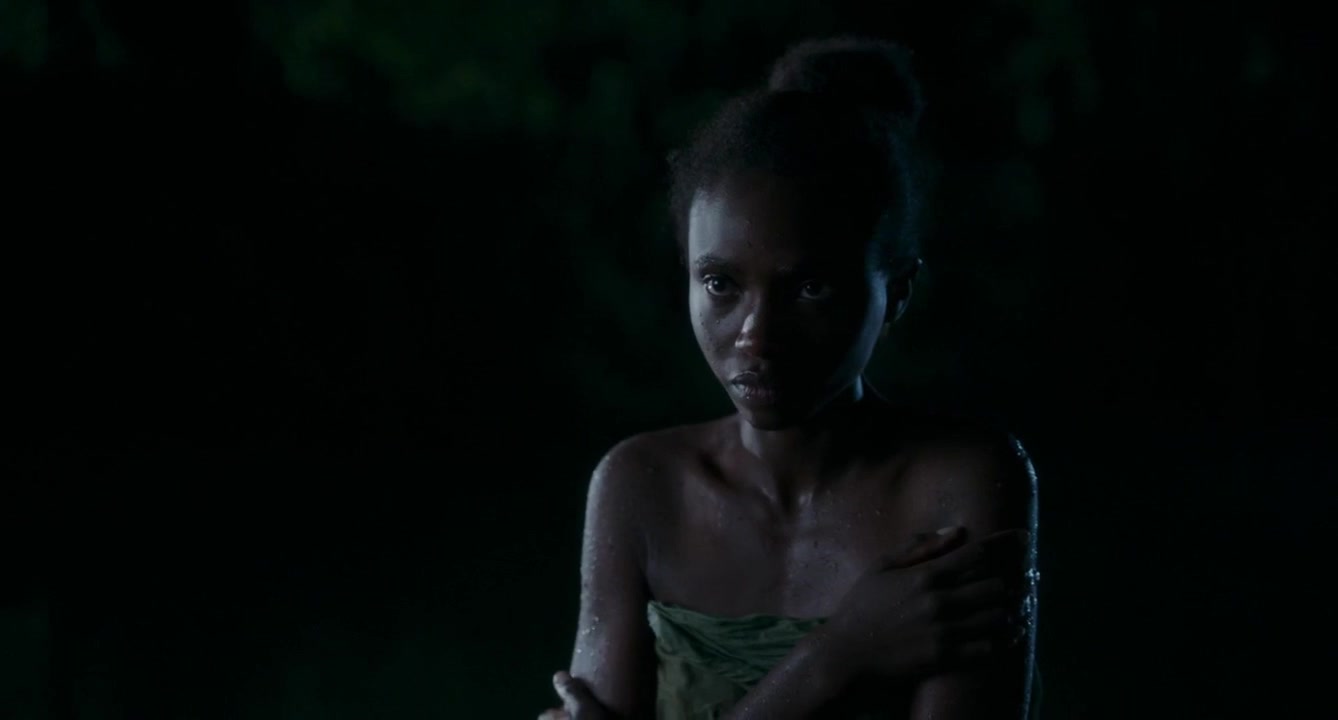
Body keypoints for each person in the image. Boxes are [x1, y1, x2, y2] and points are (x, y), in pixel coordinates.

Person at [540, 36, 1039, 720]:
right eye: (721, 283)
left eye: (811, 288)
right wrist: (836, 656)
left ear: (896, 293)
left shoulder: (958, 482)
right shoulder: (641, 486)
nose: (756, 335)